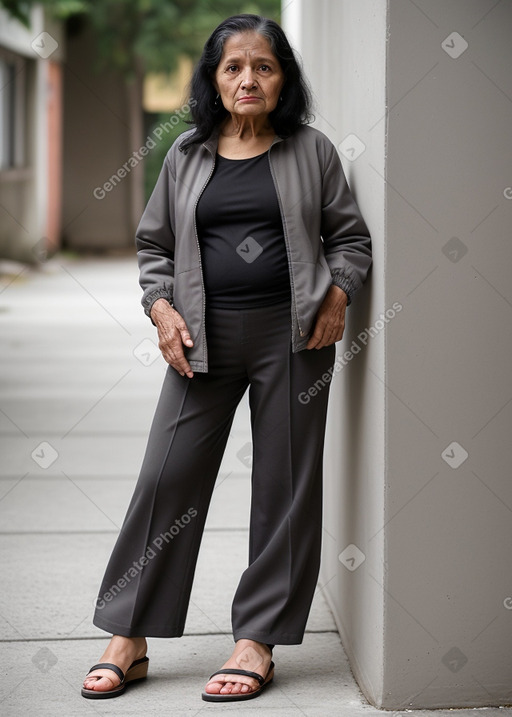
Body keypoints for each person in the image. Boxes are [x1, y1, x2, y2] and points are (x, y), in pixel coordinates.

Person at [82, 13, 372, 703]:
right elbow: (154, 247)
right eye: (234, 67)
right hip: (201, 342)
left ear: (283, 79)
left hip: (294, 339)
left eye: (264, 67)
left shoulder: (312, 152)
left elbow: (350, 239)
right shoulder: (185, 154)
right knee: (165, 480)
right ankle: (129, 632)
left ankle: (257, 639)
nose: (249, 78)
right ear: (214, 80)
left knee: (285, 486)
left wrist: (338, 293)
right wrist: (160, 309)